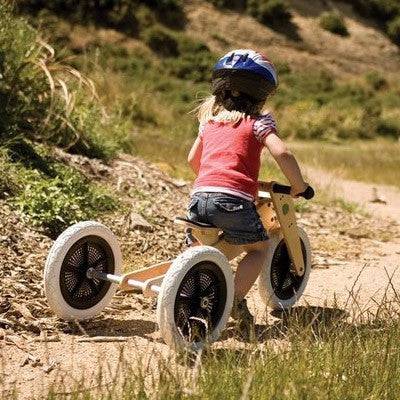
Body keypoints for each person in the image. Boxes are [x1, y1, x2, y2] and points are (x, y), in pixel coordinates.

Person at [187, 49, 309, 334]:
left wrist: (214, 179)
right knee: (258, 248)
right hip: (232, 202)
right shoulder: (258, 123)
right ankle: (234, 301)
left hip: (198, 197)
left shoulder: (210, 123)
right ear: (262, 94)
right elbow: (283, 153)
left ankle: (193, 288)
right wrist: (299, 187)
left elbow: (193, 161)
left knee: (202, 248)